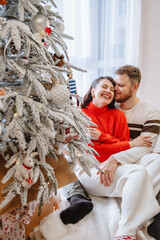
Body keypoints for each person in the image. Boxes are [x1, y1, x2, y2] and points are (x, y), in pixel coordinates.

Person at [72, 74, 160, 240]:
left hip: (114, 166)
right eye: (104, 87)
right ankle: (126, 231)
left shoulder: (118, 116)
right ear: (92, 91)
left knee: (157, 161)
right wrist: (127, 145)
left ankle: (138, 215)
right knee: (137, 172)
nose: (109, 91)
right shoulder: (80, 115)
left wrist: (103, 138)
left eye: (112, 89)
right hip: (91, 168)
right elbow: (95, 151)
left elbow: (120, 143)